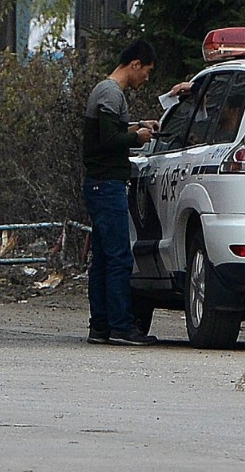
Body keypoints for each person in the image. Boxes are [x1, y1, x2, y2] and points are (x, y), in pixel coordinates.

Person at [82, 40, 160, 346]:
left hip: (99, 184)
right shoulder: (110, 92)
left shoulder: (107, 92)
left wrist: (139, 125)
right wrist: (137, 138)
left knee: (102, 258)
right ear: (135, 64)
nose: (146, 79)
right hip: (106, 185)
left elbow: (111, 128)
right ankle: (120, 326)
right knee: (118, 258)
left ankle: (100, 326)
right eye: (147, 72)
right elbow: (107, 138)